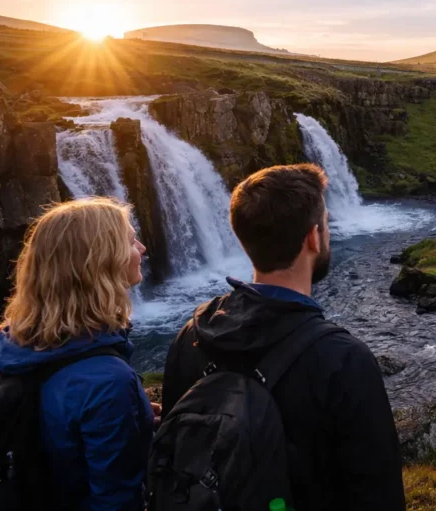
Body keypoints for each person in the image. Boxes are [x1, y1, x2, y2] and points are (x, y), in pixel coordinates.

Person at [160, 164, 405, 510]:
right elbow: (379, 496)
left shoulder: (191, 336)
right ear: (312, 237)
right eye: (326, 223)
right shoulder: (344, 362)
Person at [0, 197, 154, 511]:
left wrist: (135, 414)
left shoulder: (15, 342)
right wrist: (117, 405)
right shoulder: (107, 381)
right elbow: (117, 501)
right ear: (103, 261)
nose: (143, 248)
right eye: (132, 241)